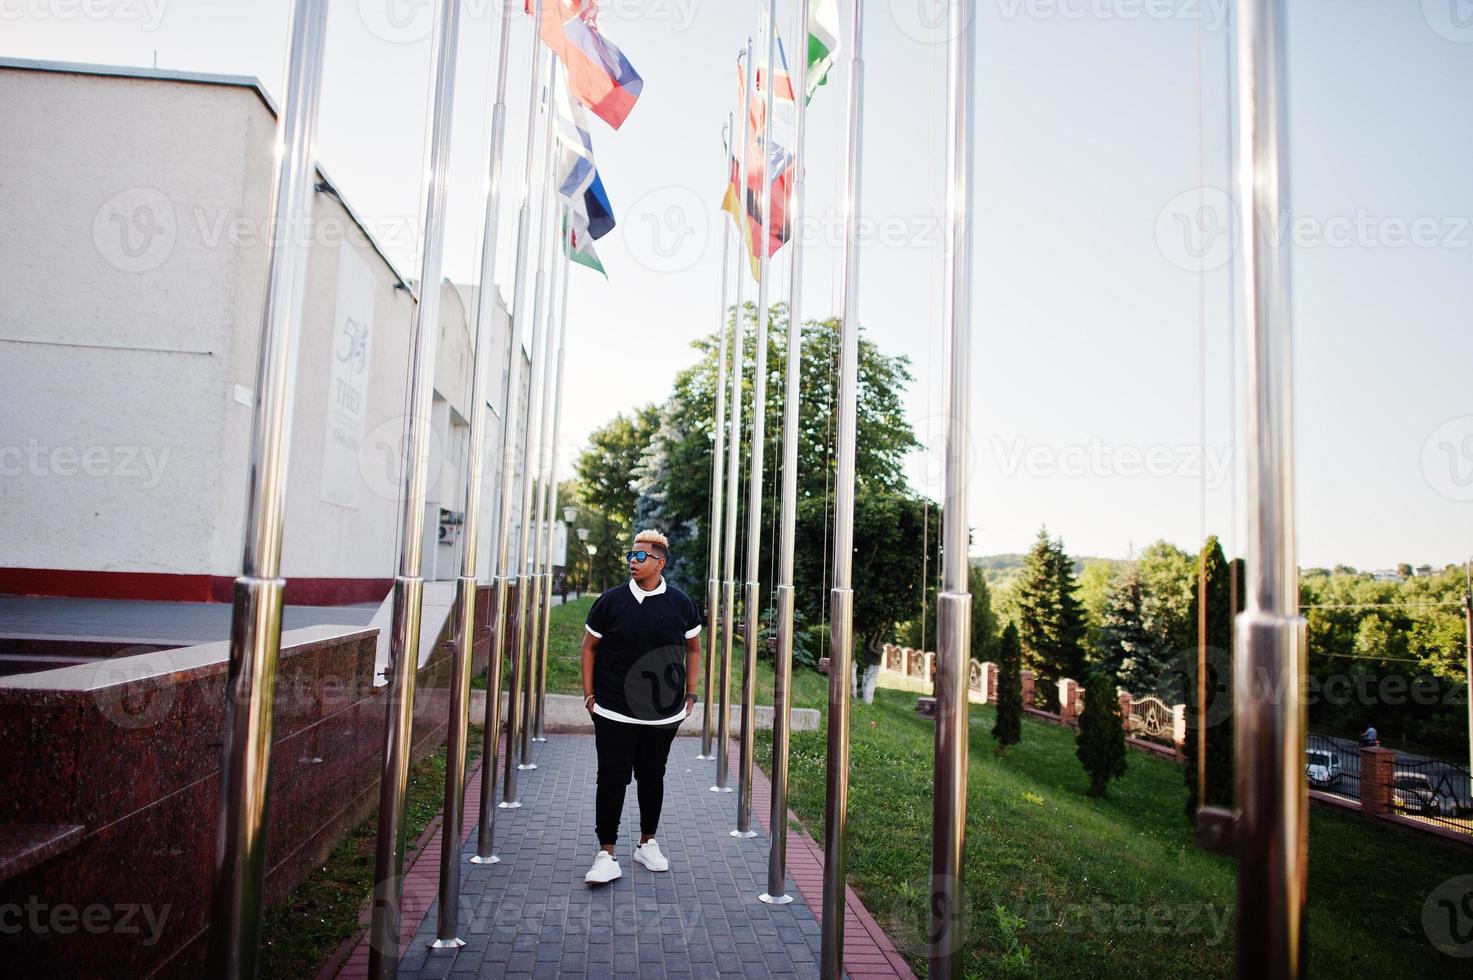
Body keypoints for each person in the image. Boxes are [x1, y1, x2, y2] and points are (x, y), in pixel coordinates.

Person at [580, 529, 702, 885]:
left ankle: (647, 842)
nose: (632, 562)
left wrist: (691, 695)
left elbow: (693, 649)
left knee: (652, 776)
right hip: (613, 709)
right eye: (630, 556)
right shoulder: (610, 602)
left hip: (663, 713)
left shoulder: (681, 604)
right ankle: (606, 853)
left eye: (640, 557)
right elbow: (589, 648)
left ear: (659, 563)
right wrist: (589, 696)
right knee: (612, 777)